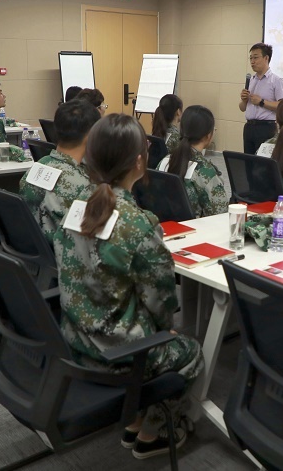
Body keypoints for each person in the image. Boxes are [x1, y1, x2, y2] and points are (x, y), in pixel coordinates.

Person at [54, 114, 203, 460]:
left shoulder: (76, 208)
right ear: (139, 162)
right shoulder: (137, 223)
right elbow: (162, 299)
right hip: (117, 356)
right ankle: (154, 432)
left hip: (74, 341)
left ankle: (133, 420)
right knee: (191, 351)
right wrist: (164, 329)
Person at [19, 99, 99, 245]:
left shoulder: (35, 168)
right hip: (64, 254)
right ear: (91, 135)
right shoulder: (83, 187)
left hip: (33, 250)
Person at [159, 105, 228, 218]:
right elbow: (220, 214)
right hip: (193, 228)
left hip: (163, 226)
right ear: (208, 135)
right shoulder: (206, 171)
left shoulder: (165, 161)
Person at [239, 42, 283, 155]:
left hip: (266, 128)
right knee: (248, 161)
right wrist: (244, 100)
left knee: (262, 162)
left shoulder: (277, 81)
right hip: (249, 127)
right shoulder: (251, 80)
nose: (252, 61)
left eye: (255, 57)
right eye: (251, 58)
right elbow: (242, 108)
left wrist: (261, 102)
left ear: (266, 58)